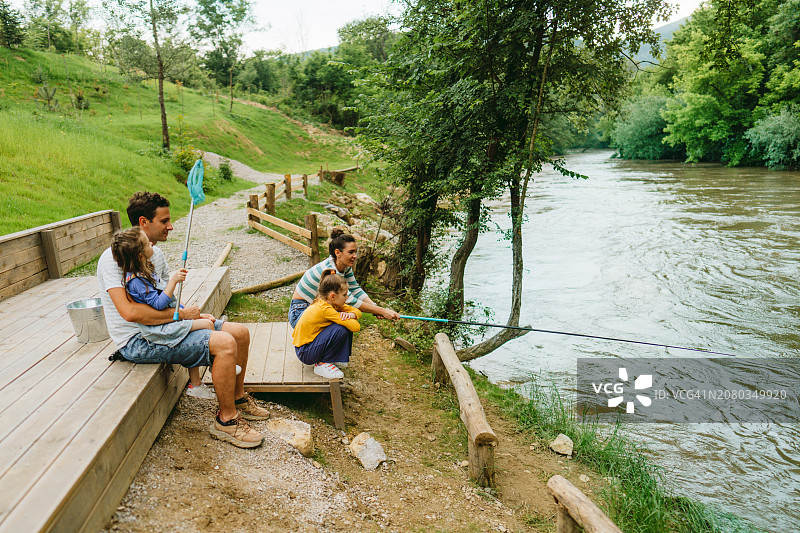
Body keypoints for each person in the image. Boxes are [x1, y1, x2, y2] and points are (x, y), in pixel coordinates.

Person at [98, 191, 270, 449]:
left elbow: (166, 298)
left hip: (166, 327)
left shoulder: (156, 255)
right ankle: (226, 421)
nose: (171, 226)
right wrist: (181, 315)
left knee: (241, 333)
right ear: (144, 222)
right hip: (139, 338)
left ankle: (237, 400)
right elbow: (130, 313)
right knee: (224, 343)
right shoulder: (114, 260)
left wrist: (193, 314)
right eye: (164, 220)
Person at [110, 225, 218, 400]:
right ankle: (212, 363)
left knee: (205, 323)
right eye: (147, 244)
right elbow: (159, 305)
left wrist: (193, 314)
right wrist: (173, 281)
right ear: (140, 255)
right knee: (207, 325)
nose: (152, 244)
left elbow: (169, 303)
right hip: (158, 329)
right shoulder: (137, 282)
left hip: (166, 321)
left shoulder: (144, 272)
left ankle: (196, 382)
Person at [288, 228, 400, 328]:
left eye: (355, 252)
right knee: (342, 324)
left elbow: (355, 289)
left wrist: (375, 308)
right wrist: (382, 311)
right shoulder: (331, 272)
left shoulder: (344, 266)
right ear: (338, 253)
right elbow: (350, 300)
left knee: (345, 321)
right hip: (300, 312)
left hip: (315, 308)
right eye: (351, 252)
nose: (355, 256)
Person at [292, 269, 362, 379]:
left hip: (307, 347)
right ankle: (322, 364)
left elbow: (357, 311)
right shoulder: (325, 309)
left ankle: (334, 358)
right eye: (344, 295)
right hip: (305, 352)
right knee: (341, 329)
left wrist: (351, 315)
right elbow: (356, 327)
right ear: (333, 296)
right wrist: (347, 317)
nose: (347, 298)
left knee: (342, 325)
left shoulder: (330, 302)